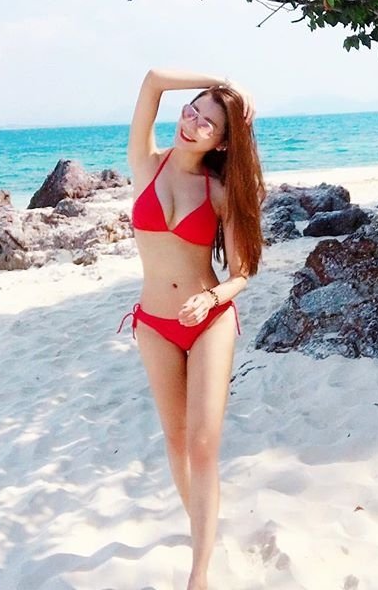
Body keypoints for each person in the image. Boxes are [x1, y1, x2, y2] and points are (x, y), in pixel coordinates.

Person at [117, 68, 266, 590]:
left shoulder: (220, 191)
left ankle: (199, 573)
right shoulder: (145, 163)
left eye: (208, 122)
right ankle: (202, 523)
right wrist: (226, 82)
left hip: (209, 322)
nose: (192, 122)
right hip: (154, 323)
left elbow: (242, 271)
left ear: (222, 142)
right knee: (176, 438)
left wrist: (211, 298)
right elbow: (153, 80)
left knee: (202, 443)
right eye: (192, 110)